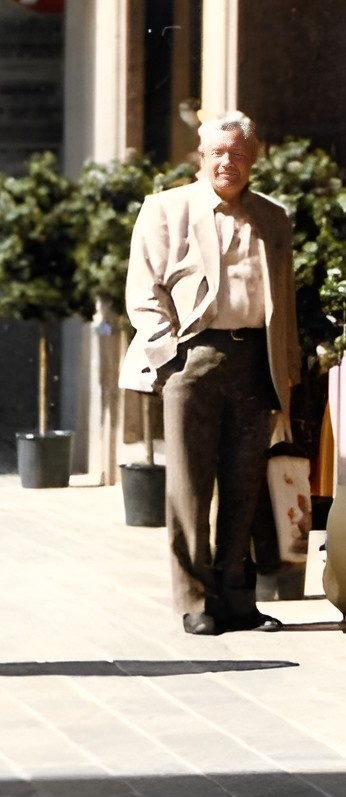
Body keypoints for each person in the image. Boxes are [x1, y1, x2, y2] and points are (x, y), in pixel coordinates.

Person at [123, 110, 301, 636]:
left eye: (239, 154)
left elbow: (284, 303)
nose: (229, 162)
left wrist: (286, 372)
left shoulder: (274, 218)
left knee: (245, 484)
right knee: (189, 486)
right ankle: (195, 599)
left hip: (255, 362)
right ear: (201, 157)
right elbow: (145, 289)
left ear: (254, 158)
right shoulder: (164, 210)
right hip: (192, 359)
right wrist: (167, 355)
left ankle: (238, 599)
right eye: (219, 153)